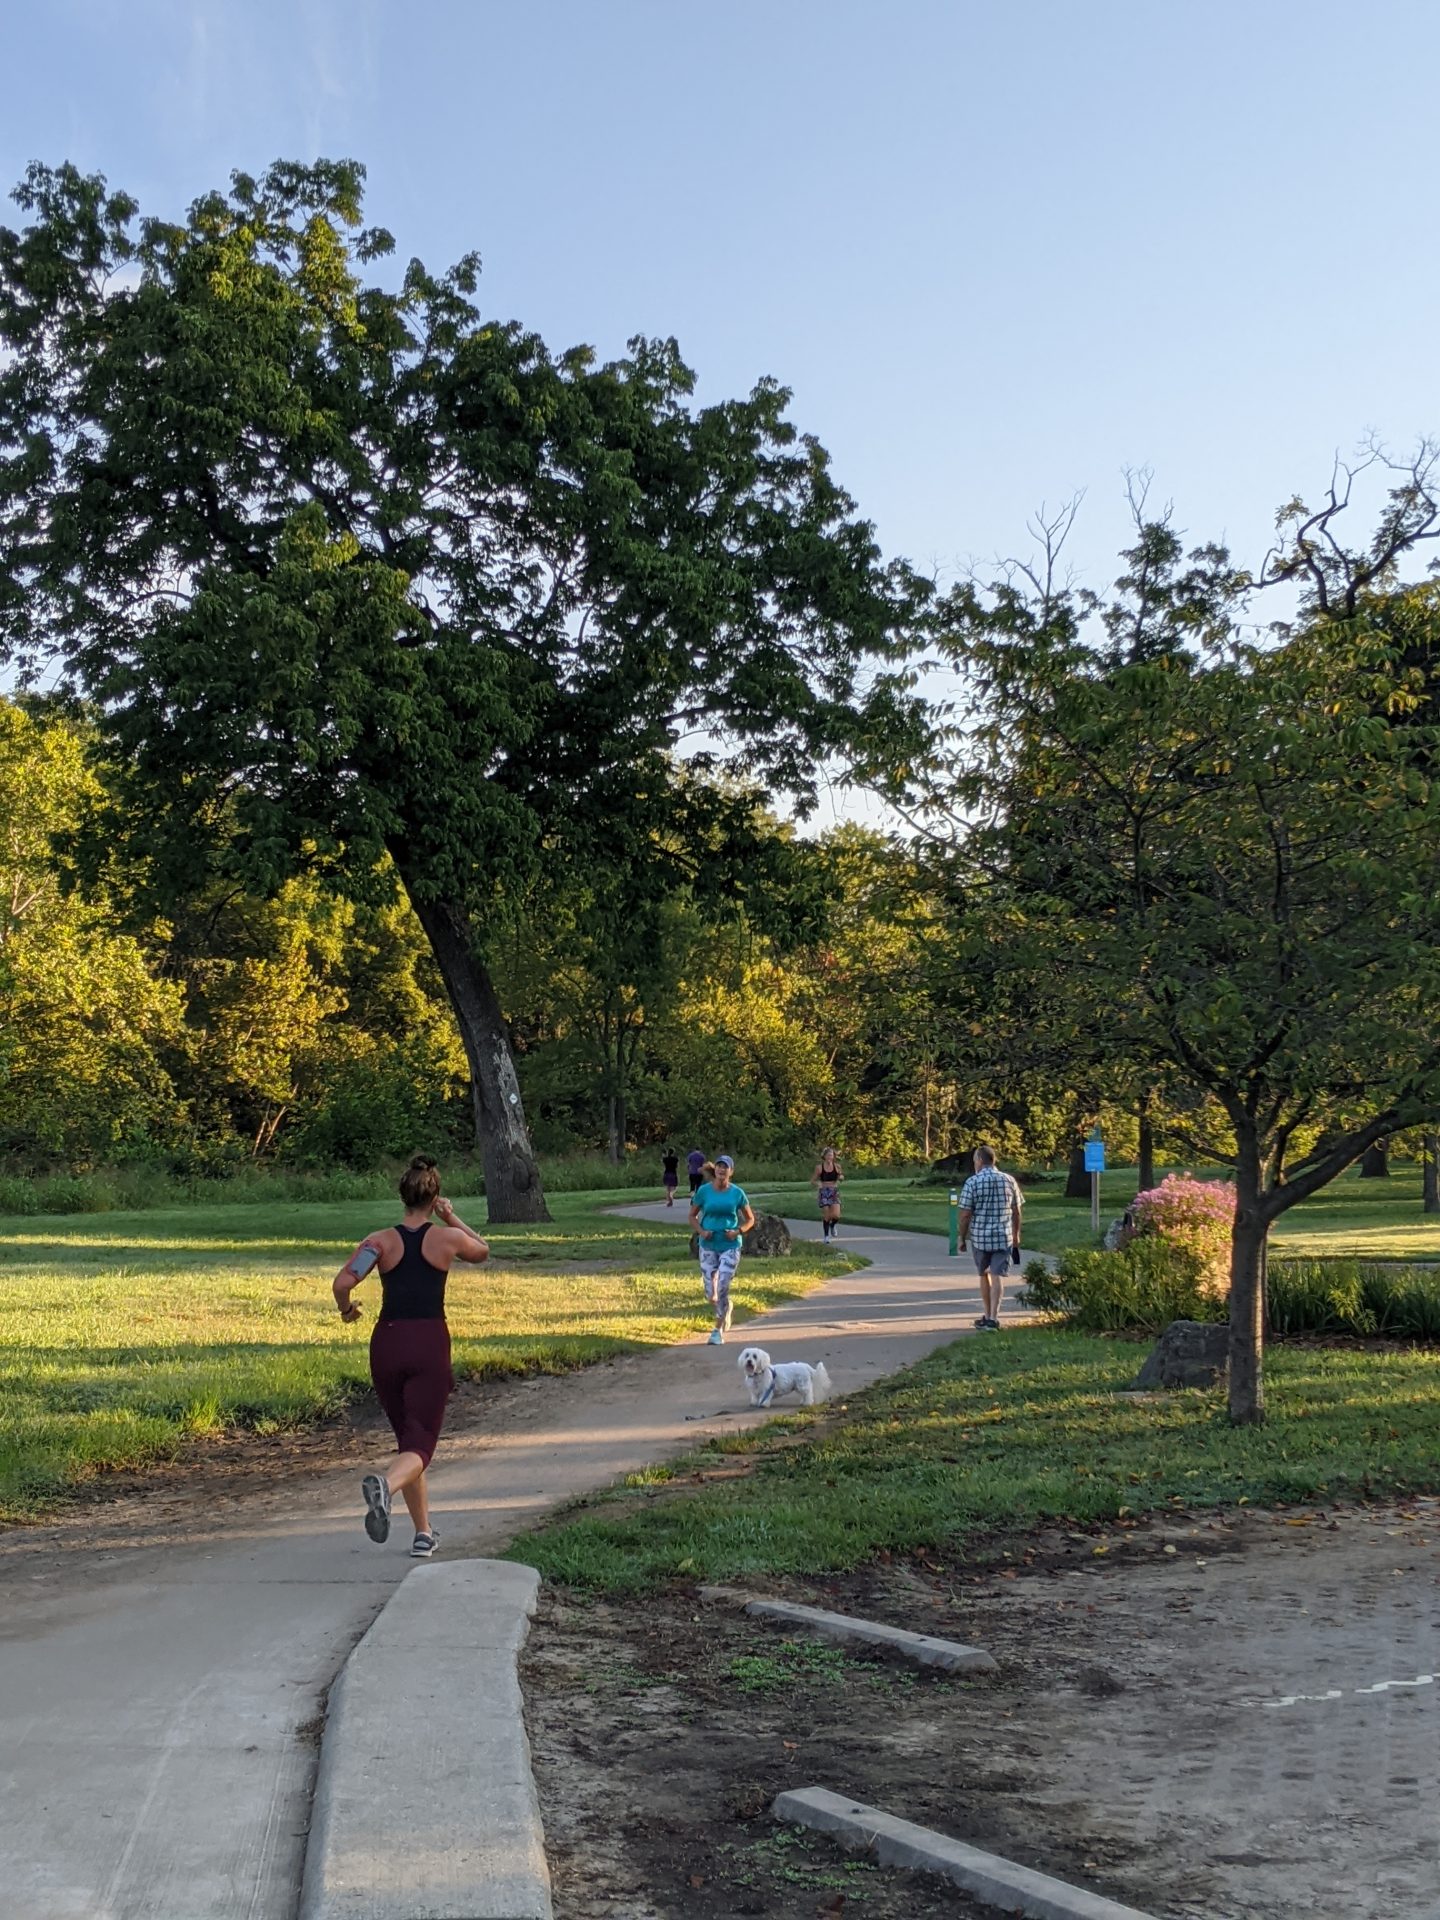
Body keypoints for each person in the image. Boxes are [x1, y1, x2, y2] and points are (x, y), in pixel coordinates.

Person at [331, 1154, 489, 1557]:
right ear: (434, 1197)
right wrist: (451, 1217)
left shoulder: (379, 1242)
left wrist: (347, 1311)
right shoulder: (447, 1239)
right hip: (428, 1343)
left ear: (401, 1196)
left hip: (387, 1343)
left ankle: (423, 1534)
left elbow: (342, 1282)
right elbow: (483, 1249)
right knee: (420, 1446)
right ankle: (386, 1486)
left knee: (408, 1440)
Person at [688, 1153, 755, 1346]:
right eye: (719, 1166)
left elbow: (750, 1219)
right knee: (712, 1294)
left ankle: (717, 1330)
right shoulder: (704, 1191)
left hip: (730, 1245)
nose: (721, 1169)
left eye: (725, 1167)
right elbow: (692, 1216)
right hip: (708, 1244)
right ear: (715, 1170)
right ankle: (726, 1306)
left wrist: (738, 1231)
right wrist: (701, 1231)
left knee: (723, 1284)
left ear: (730, 1171)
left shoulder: (737, 1193)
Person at [957, 1145, 1023, 1331]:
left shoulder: (973, 1182)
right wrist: (1016, 1233)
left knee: (983, 1274)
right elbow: (1017, 1211)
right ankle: (994, 1317)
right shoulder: (1009, 1180)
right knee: (997, 1275)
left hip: (980, 1238)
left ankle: (986, 1314)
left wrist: (962, 1238)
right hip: (1004, 1236)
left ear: (979, 1160)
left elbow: (965, 1215)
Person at [812, 1146, 844, 1240]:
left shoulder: (837, 1166)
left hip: (834, 1191)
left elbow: (840, 1176)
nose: (830, 1157)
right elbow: (812, 1180)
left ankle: (832, 1225)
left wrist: (841, 1178)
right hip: (824, 1191)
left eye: (832, 1155)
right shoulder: (819, 1168)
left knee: (836, 1215)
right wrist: (818, 1184)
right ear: (824, 1156)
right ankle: (826, 1236)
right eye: (828, 1155)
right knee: (827, 1214)